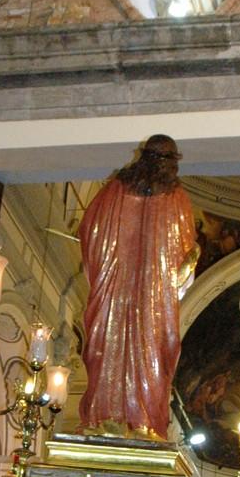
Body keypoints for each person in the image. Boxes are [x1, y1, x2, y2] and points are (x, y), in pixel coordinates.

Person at [78, 136, 198, 441]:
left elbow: (90, 232)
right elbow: (184, 254)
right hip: (128, 294)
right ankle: (116, 418)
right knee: (118, 345)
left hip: (143, 296)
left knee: (150, 347)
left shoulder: (119, 190)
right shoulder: (170, 197)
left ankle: (135, 419)